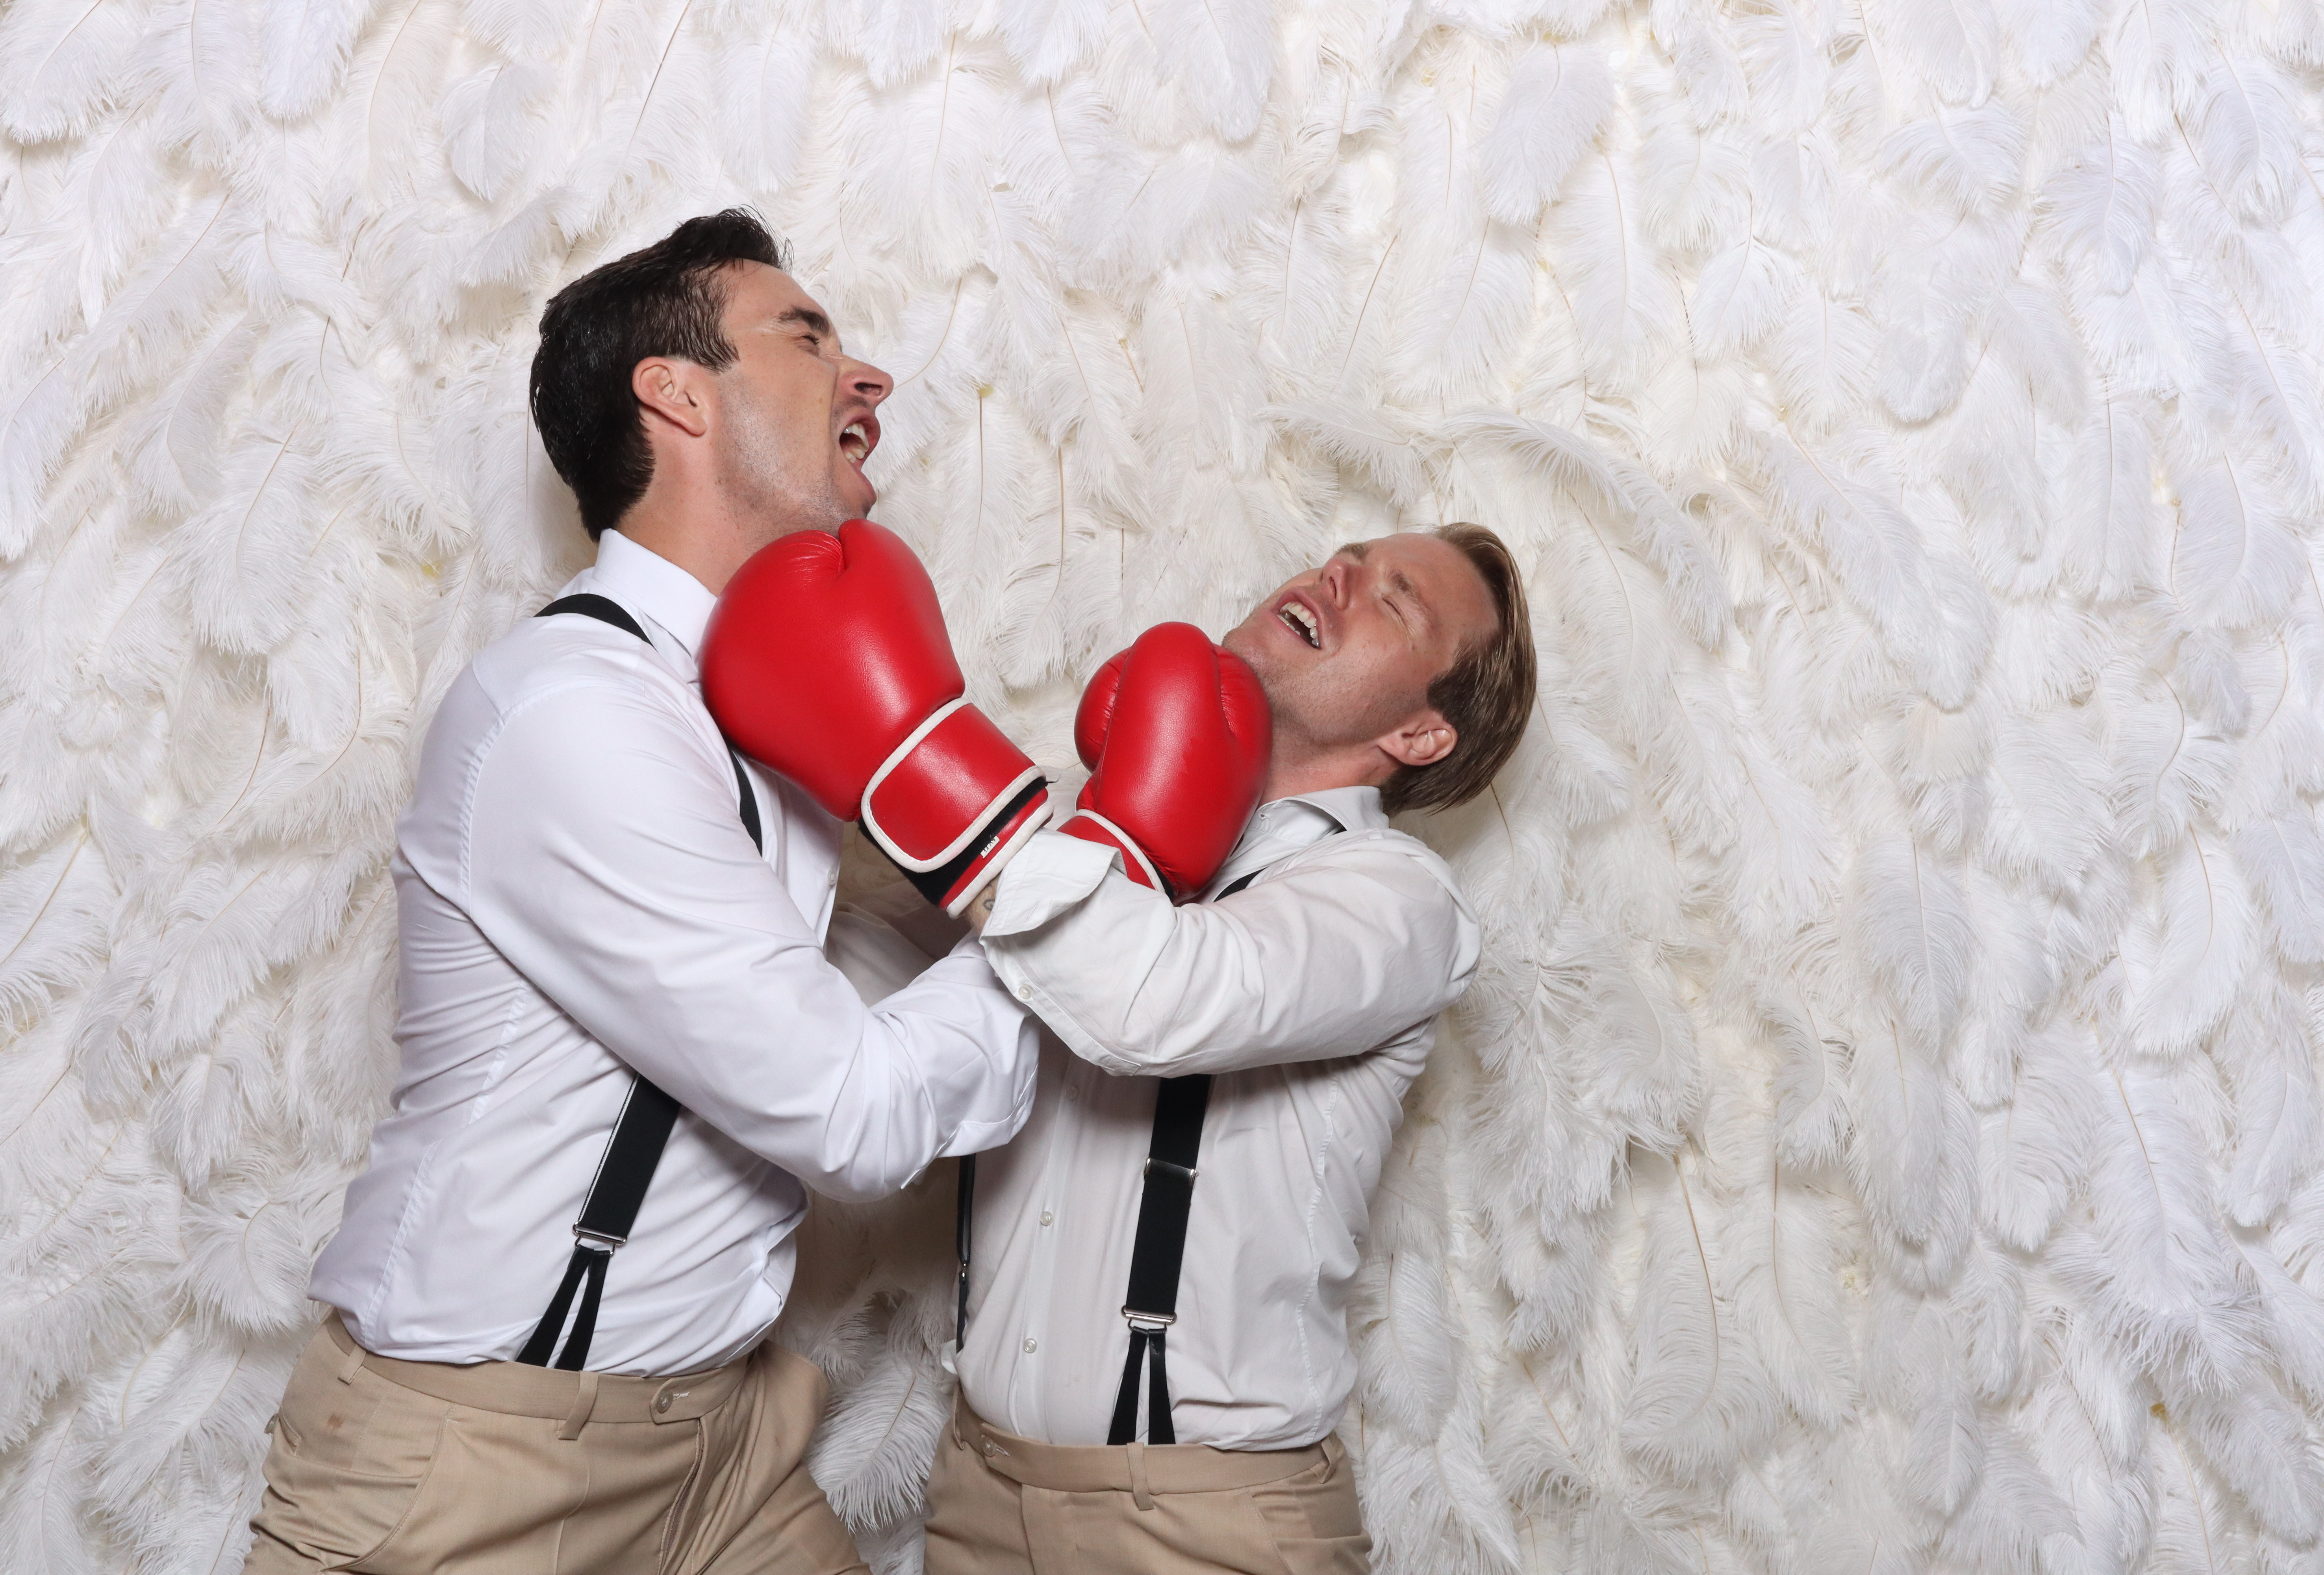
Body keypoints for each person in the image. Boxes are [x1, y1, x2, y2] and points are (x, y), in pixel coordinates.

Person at [240, 210, 1045, 1574]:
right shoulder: (575, 714)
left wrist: (1019, 865)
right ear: (674, 394)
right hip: (485, 1458)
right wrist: (1081, 892)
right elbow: (849, 1109)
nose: (869, 379)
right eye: (807, 336)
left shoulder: (780, 700)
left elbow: (921, 952)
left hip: (721, 1439)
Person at [930, 524, 1538, 1575]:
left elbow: (1151, 997)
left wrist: (908, 760)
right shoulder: (1091, 838)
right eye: (1347, 557)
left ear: (1423, 736)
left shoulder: (1392, 900)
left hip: (1203, 1523)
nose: (1339, 576)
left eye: (1397, 603)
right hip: (976, 1493)